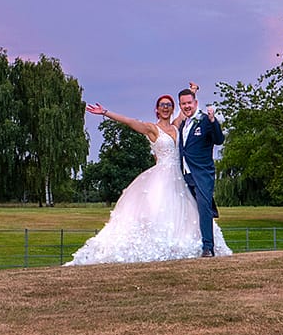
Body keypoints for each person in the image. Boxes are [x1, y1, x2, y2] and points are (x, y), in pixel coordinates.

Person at [65, 94, 232, 266]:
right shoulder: (152, 128)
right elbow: (130, 122)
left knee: (190, 212)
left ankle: (203, 246)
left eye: (168, 104)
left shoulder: (177, 126)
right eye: (162, 105)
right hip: (162, 177)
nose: (165, 107)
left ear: (173, 108)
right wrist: (106, 112)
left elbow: (188, 108)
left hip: (181, 176)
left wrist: (193, 92)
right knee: (159, 211)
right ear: (157, 109)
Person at [177, 84, 224, 258]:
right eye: (183, 104)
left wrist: (213, 121)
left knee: (203, 208)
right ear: (180, 105)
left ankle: (208, 247)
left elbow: (218, 140)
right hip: (186, 173)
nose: (187, 106)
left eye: (189, 103)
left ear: (195, 103)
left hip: (202, 173)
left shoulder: (205, 120)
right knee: (189, 209)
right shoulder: (183, 124)